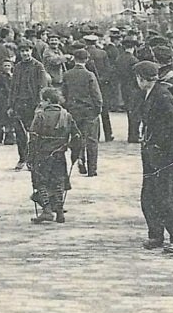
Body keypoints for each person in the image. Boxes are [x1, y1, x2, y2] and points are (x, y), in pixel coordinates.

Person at [135, 61, 173, 254]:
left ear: (142, 79)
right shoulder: (152, 93)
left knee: (169, 199)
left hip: (166, 156)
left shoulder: (162, 95)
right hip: (154, 154)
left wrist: (159, 146)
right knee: (150, 196)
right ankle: (156, 235)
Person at [28, 87, 83, 223]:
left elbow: (33, 137)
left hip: (43, 155)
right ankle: (59, 212)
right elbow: (77, 136)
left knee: (41, 182)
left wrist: (29, 157)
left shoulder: (40, 115)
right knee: (58, 182)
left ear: (47, 100)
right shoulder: (67, 115)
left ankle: (47, 210)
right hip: (60, 155)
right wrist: (74, 154)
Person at [7, 40, 50, 171]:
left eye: (27, 50)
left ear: (31, 51)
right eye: (22, 51)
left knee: (34, 133)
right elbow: (13, 87)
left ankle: (33, 159)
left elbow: (43, 88)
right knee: (20, 133)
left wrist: (41, 105)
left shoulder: (38, 67)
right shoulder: (18, 67)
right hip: (19, 104)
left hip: (33, 104)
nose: (25, 53)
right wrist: (11, 105)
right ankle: (22, 158)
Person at [62, 48, 103, 177]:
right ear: (86, 60)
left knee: (76, 138)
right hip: (89, 111)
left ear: (74, 59)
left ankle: (79, 158)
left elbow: (64, 94)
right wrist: (98, 109)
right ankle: (92, 169)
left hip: (73, 110)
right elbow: (96, 95)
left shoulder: (67, 74)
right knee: (91, 140)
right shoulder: (90, 75)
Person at [83, 34, 114, 142]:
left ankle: (93, 135)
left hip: (87, 85)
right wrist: (103, 80)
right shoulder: (102, 53)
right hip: (102, 85)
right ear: (95, 42)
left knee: (90, 111)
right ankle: (108, 134)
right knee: (104, 111)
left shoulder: (83, 53)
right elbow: (108, 70)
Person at [116, 38, 141, 143]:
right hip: (133, 88)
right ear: (133, 47)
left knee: (130, 112)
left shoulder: (119, 58)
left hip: (123, 86)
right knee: (135, 112)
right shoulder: (134, 60)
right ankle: (134, 135)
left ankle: (132, 135)